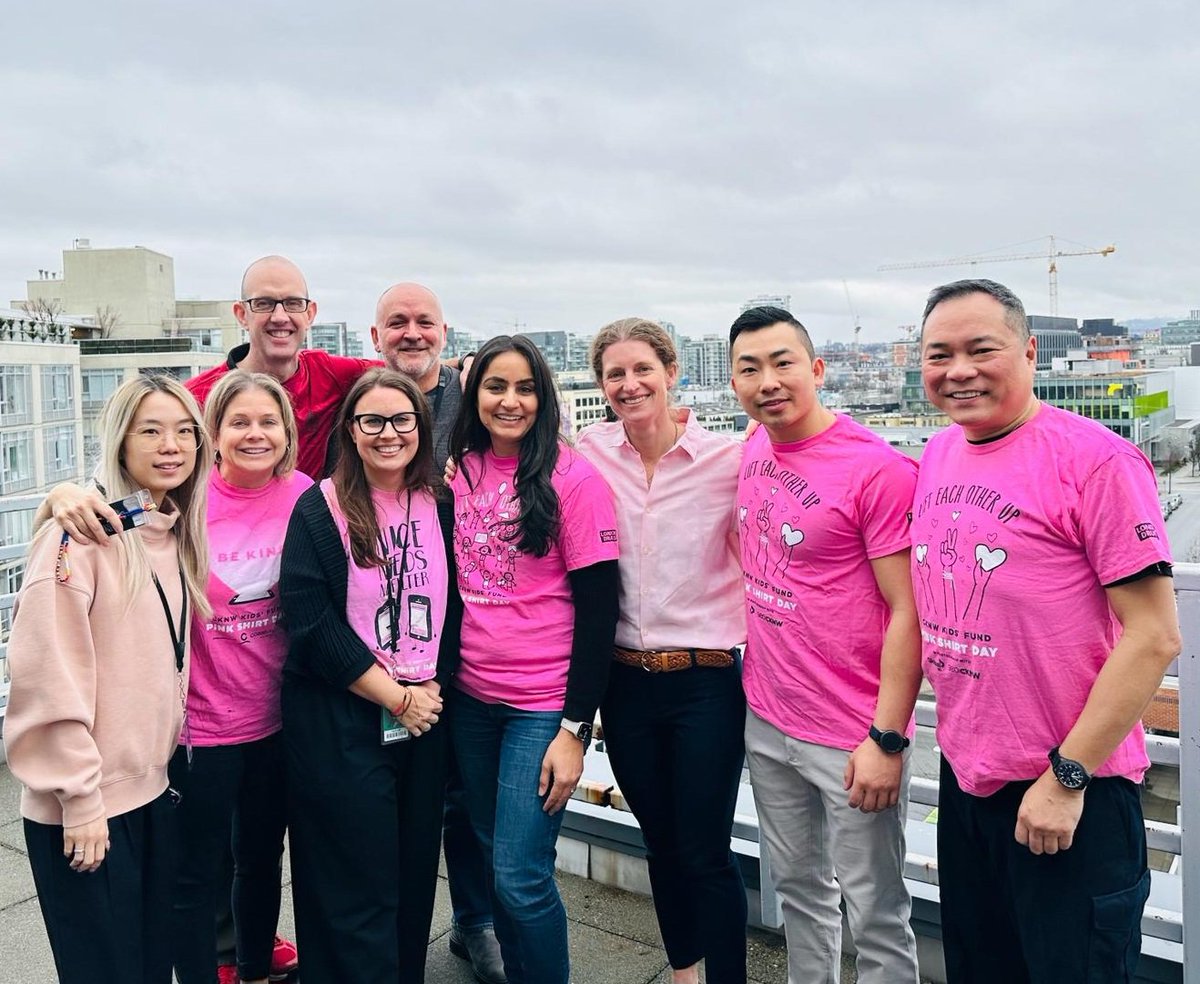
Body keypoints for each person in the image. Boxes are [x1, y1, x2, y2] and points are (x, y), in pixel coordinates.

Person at [913, 279, 1181, 982]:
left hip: (1070, 787)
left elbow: (1153, 635)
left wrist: (1066, 777)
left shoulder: (1096, 461)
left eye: (981, 349)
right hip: (969, 781)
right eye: (939, 354)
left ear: (1029, 352)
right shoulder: (941, 453)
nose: (959, 369)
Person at [728, 306, 922, 984]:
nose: (767, 382)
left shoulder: (878, 469)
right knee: (801, 893)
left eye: (783, 363)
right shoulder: (755, 445)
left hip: (850, 734)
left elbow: (910, 610)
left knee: (876, 909)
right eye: (749, 369)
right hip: (767, 713)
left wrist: (888, 738)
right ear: (733, 382)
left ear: (816, 369)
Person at [4, 375, 210, 984]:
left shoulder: (163, 527)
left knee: (147, 967)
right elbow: (47, 674)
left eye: (183, 431)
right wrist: (81, 797)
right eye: (150, 430)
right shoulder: (79, 541)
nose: (170, 445)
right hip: (88, 805)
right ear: (120, 441)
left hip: (149, 790)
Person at [574, 318, 748, 984]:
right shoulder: (590, 452)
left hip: (704, 682)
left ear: (672, 371)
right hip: (624, 685)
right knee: (662, 843)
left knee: (705, 851)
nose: (629, 384)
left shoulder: (728, 459)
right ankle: (684, 971)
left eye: (642, 369)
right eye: (614, 374)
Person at [278, 367, 461, 982]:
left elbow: (456, 604)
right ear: (350, 431)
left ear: (422, 427)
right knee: (351, 881)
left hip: (422, 716)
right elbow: (310, 621)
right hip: (342, 717)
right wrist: (397, 697)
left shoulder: (441, 502)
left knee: (411, 875)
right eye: (372, 421)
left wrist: (429, 687)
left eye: (402, 419)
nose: (389, 433)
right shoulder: (319, 506)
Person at [447, 335, 620, 984]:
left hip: (539, 708)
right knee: (497, 861)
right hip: (469, 700)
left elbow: (600, 613)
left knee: (520, 877)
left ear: (544, 397)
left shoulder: (574, 479)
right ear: (475, 394)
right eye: (496, 386)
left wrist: (575, 730)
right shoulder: (458, 470)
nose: (510, 400)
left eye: (525, 388)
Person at [168, 371, 313, 984]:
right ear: (214, 434)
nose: (256, 434)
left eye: (268, 422)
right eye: (239, 422)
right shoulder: (183, 498)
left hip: (278, 721)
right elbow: (104, 511)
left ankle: (253, 970)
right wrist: (59, 501)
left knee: (260, 860)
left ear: (287, 432)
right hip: (200, 727)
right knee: (196, 871)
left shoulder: (306, 495)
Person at [187, 255, 377, 481]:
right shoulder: (195, 398)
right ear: (241, 314)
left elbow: (406, 374)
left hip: (308, 513)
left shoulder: (329, 374)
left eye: (293, 303)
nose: (279, 317)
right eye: (264, 304)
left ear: (310, 314)